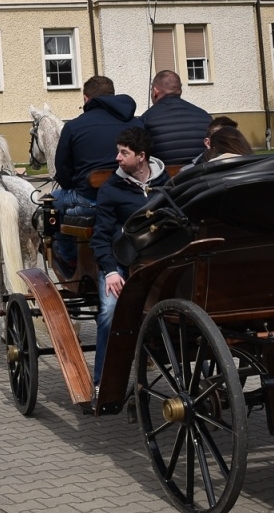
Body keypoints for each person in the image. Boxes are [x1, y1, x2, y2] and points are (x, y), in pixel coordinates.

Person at [89, 127, 170, 381]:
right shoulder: (111, 189)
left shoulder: (166, 184)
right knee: (109, 312)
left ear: (142, 156)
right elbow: (100, 237)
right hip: (121, 264)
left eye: (124, 153)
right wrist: (111, 271)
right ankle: (102, 383)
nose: (118, 158)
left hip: (160, 262)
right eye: (118, 152)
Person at [50, 76, 137, 279]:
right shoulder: (136, 122)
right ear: (112, 95)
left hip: (89, 199)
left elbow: (62, 171)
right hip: (130, 197)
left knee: (52, 203)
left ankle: (68, 257)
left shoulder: (73, 127)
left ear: (86, 98)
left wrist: (73, 185)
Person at [139, 69, 213, 166]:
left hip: (164, 179)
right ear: (180, 90)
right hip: (199, 177)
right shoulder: (205, 116)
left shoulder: (145, 119)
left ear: (155, 91)